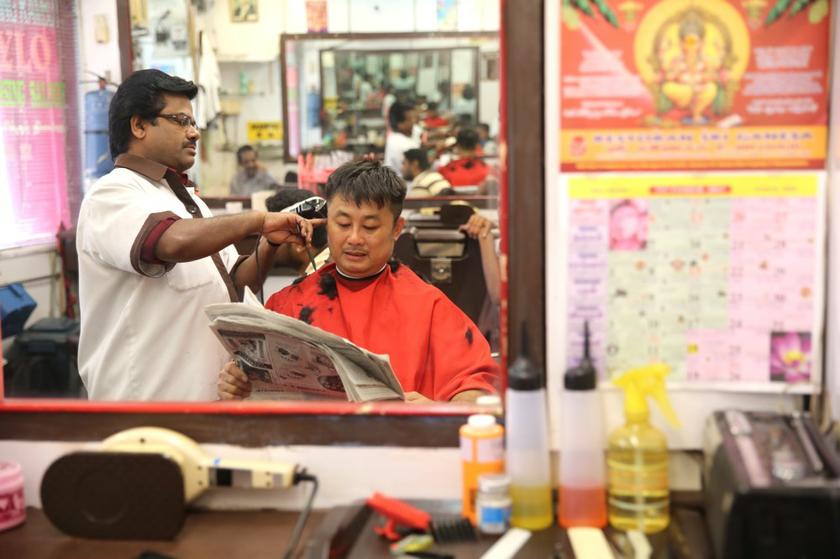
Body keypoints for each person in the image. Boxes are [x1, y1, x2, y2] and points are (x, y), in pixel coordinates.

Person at [76, 69, 319, 401]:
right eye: (180, 121)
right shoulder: (111, 195)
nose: (193, 133)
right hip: (143, 406)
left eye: (194, 123)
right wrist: (257, 221)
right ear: (139, 125)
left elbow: (237, 282)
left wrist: (270, 242)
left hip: (204, 404)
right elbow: (172, 241)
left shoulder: (186, 201)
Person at [218, 160, 500, 403]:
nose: (354, 238)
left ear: (396, 229)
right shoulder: (288, 303)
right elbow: (254, 386)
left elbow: (476, 388)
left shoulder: (429, 306)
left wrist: (437, 409)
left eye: (370, 226)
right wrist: (237, 384)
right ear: (326, 222)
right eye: (342, 224)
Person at [265, 188, 330, 275]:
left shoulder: (321, 282)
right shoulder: (321, 270)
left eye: (273, 233)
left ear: (299, 244)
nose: (266, 241)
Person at [384, 101, 419, 171]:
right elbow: (418, 168)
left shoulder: (396, 137)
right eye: (410, 120)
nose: (414, 122)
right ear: (399, 124)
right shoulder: (400, 142)